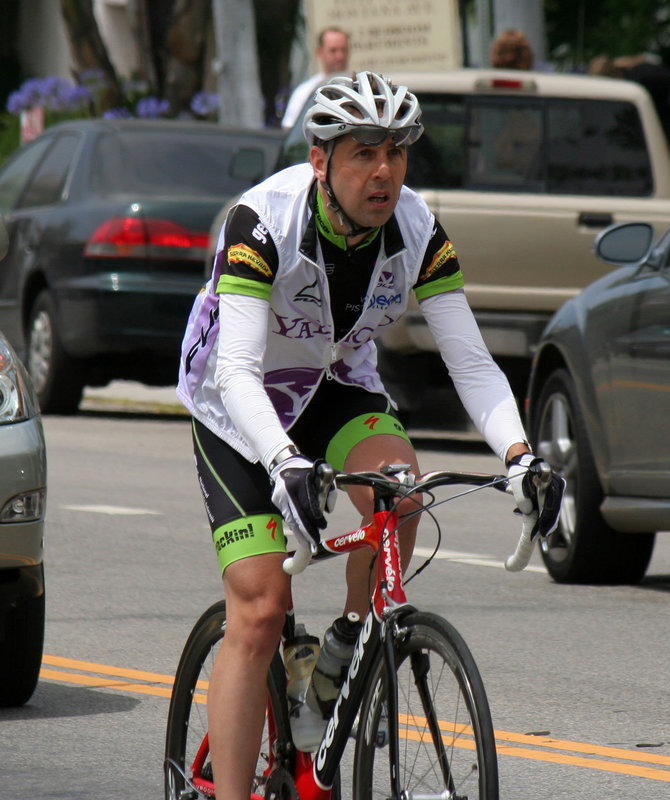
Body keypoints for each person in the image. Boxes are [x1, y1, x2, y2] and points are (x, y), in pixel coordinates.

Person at [177, 71, 562, 799]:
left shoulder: (417, 228)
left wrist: (521, 457)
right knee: (259, 609)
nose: (384, 170)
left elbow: (471, 361)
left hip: (333, 384)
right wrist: (285, 459)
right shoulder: (263, 222)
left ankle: (343, 653)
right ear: (322, 160)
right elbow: (235, 371)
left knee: (404, 493)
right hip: (239, 401)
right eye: (363, 152)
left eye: (397, 151)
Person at [281, 26, 349, 129]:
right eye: (333, 51)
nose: (340, 56)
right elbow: (289, 129)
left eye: (343, 50)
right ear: (320, 52)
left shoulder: (358, 85)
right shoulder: (306, 91)